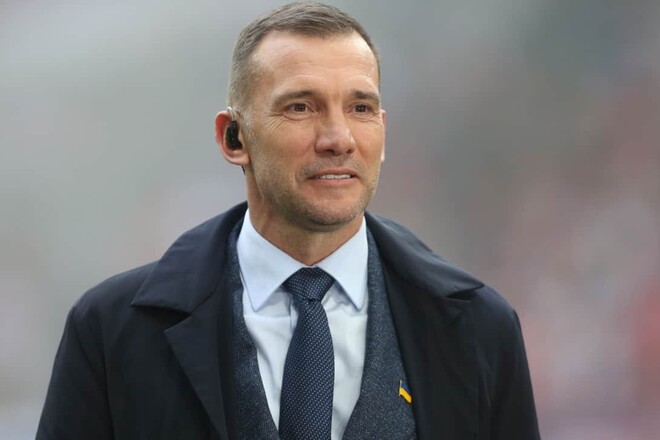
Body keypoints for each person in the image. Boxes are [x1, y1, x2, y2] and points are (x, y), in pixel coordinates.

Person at [37, 2, 540, 439]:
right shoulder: (110, 331)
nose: (339, 138)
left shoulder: (482, 330)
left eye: (360, 107)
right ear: (234, 137)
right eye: (301, 107)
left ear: (382, 132)